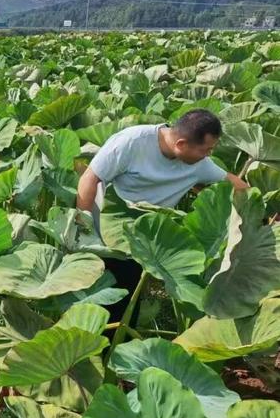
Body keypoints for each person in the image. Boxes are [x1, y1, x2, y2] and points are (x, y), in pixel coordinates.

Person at [76, 109, 249, 324]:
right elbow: (89, 179)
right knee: (100, 296)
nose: (208, 156)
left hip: (147, 233)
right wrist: (83, 224)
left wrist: (261, 209)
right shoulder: (132, 142)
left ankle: (118, 344)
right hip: (107, 224)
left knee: (127, 296)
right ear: (181, 144)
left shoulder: (197, 164)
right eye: (206, 150)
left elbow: (238, 186)